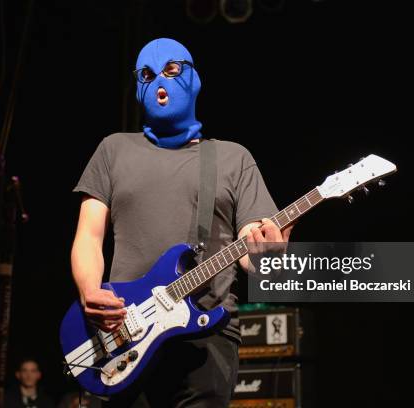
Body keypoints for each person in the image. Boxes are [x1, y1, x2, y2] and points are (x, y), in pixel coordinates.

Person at [71, 38, 292, 408]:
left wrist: (269, 251)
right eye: (147, 74)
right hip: (124, 334)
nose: (160, 82)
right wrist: (87, 290)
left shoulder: (233, 157)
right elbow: (88, 237)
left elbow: (250, 254)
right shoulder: (112, 150)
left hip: (206, 335)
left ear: (194, 79)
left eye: (172, 70)